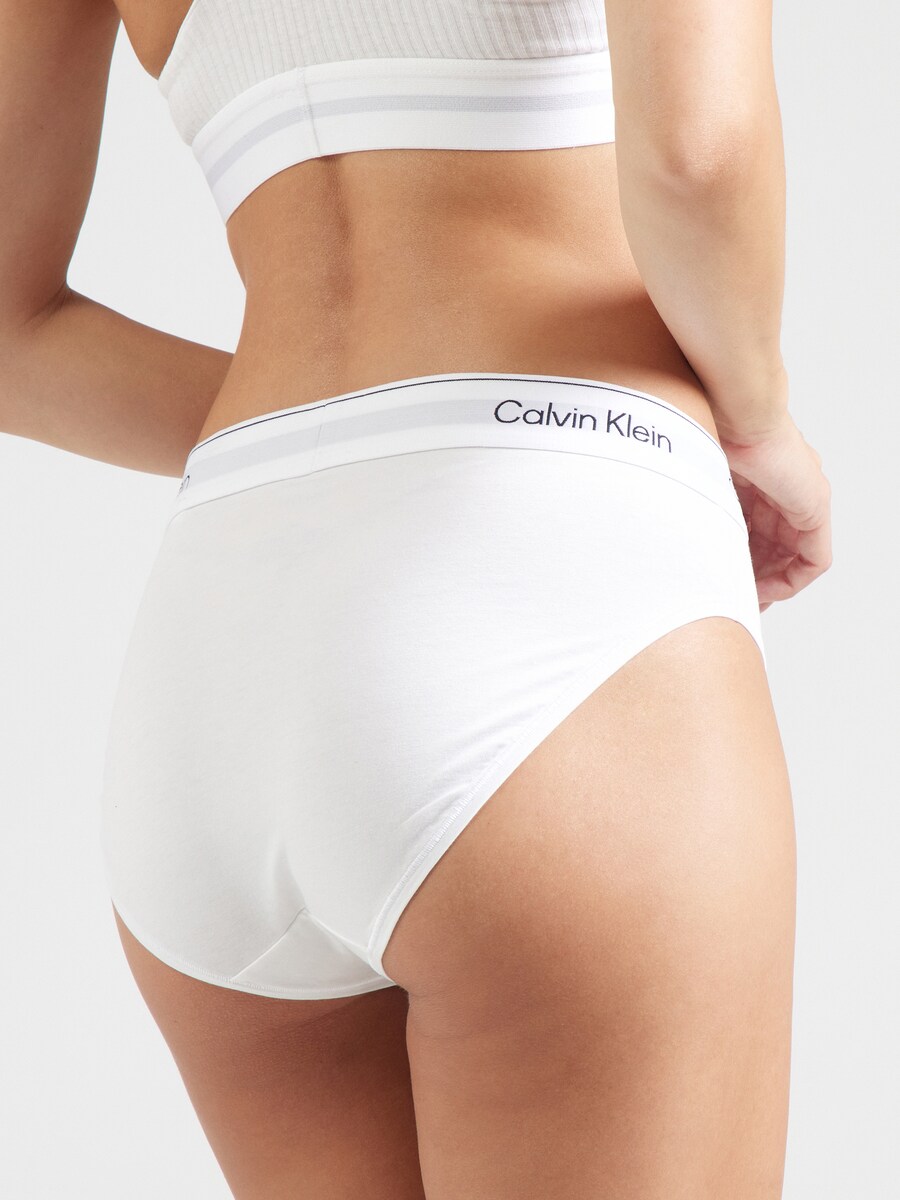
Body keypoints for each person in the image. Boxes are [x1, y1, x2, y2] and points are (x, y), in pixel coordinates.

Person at [1, 0, 832, 1196]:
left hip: (215, 654)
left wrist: (327, 428)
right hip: (540, 591)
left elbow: (8, 330)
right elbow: (696, 156)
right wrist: (758, 424)